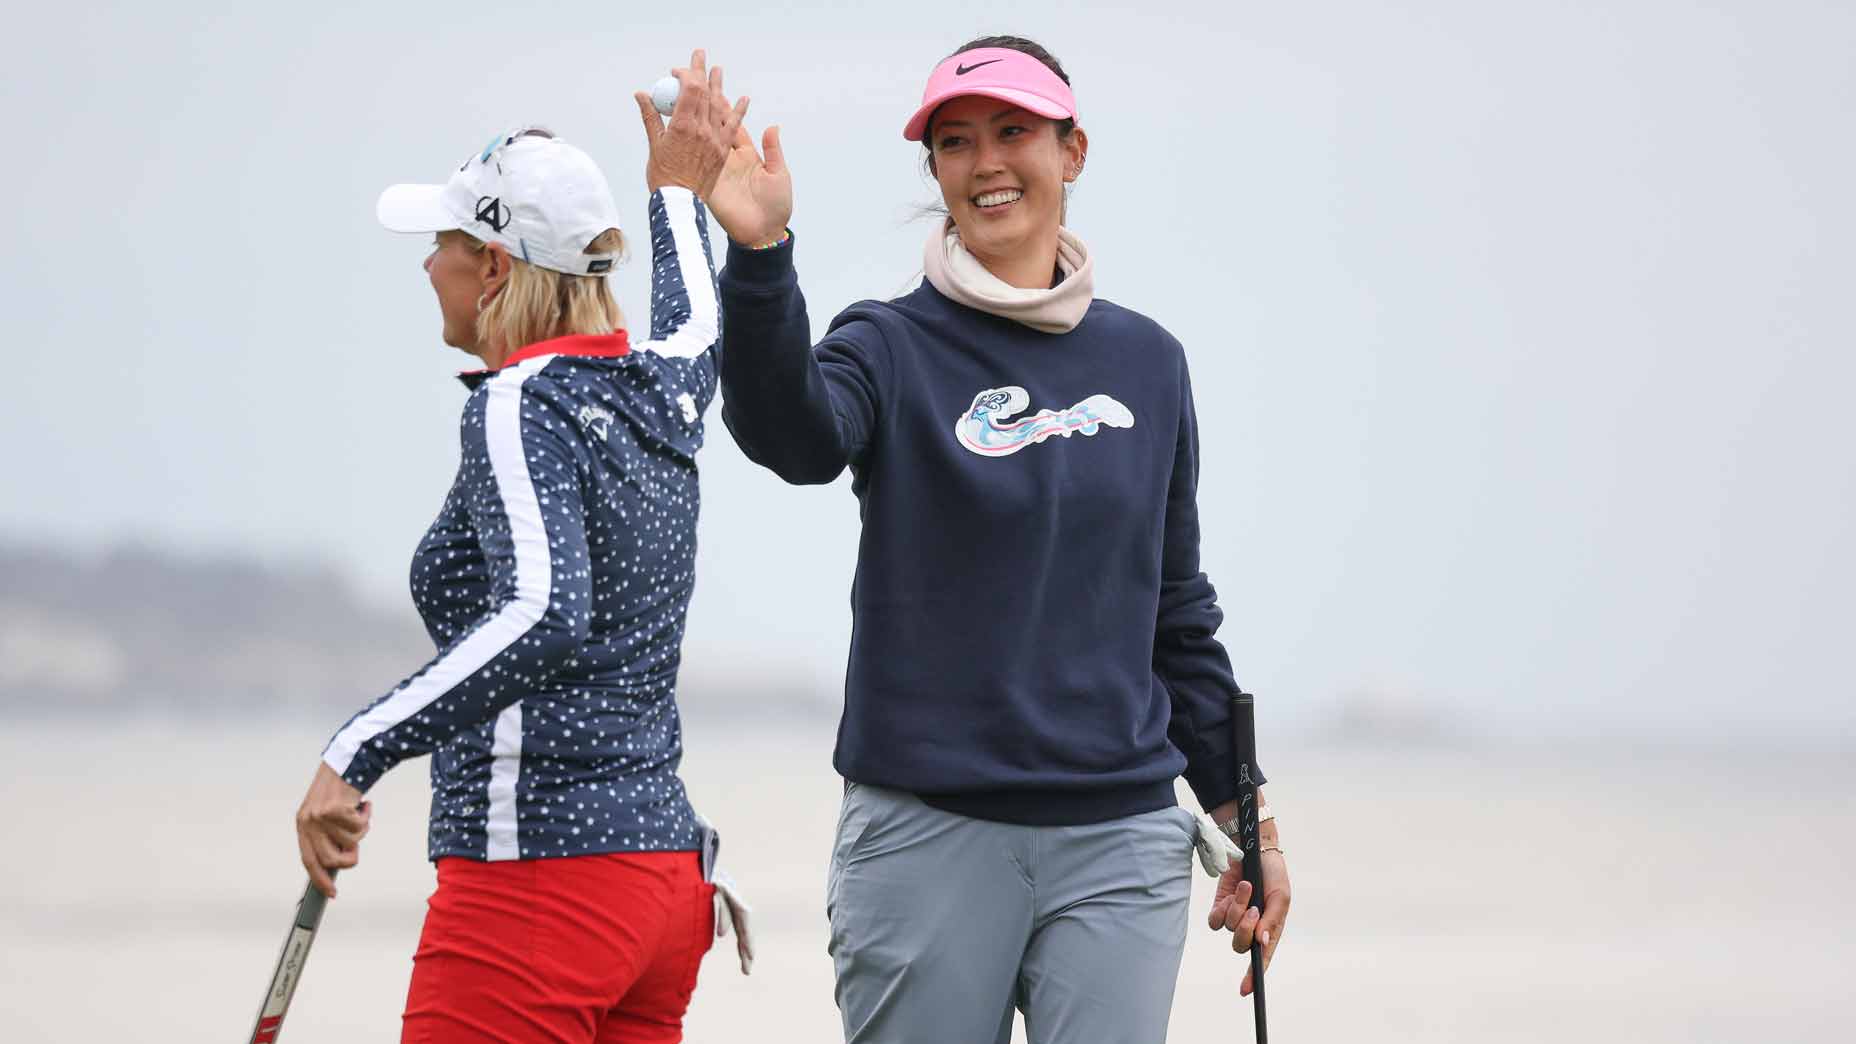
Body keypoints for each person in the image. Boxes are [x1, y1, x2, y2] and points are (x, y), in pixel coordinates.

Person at [699, 36, 1293, 1043]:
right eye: (955, 141)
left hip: (1119, 837)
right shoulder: (886, 345)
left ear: (1073, 151)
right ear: (933, 170)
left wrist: (1249, 819)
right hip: (926, 832)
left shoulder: (1148, 362)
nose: (984, 162)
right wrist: (760, 257)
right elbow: (789, 438)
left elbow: (1174, 611)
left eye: (1012, 132)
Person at [292, 52, 752, 1044]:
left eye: (445, 243)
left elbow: (543, 614)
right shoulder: (662, 382)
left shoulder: (518, 400)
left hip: (539, 886)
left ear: (494, 267)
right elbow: (697, 317)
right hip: (663, 887)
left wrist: (353, 754)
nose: (427, 265)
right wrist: (676, 191)